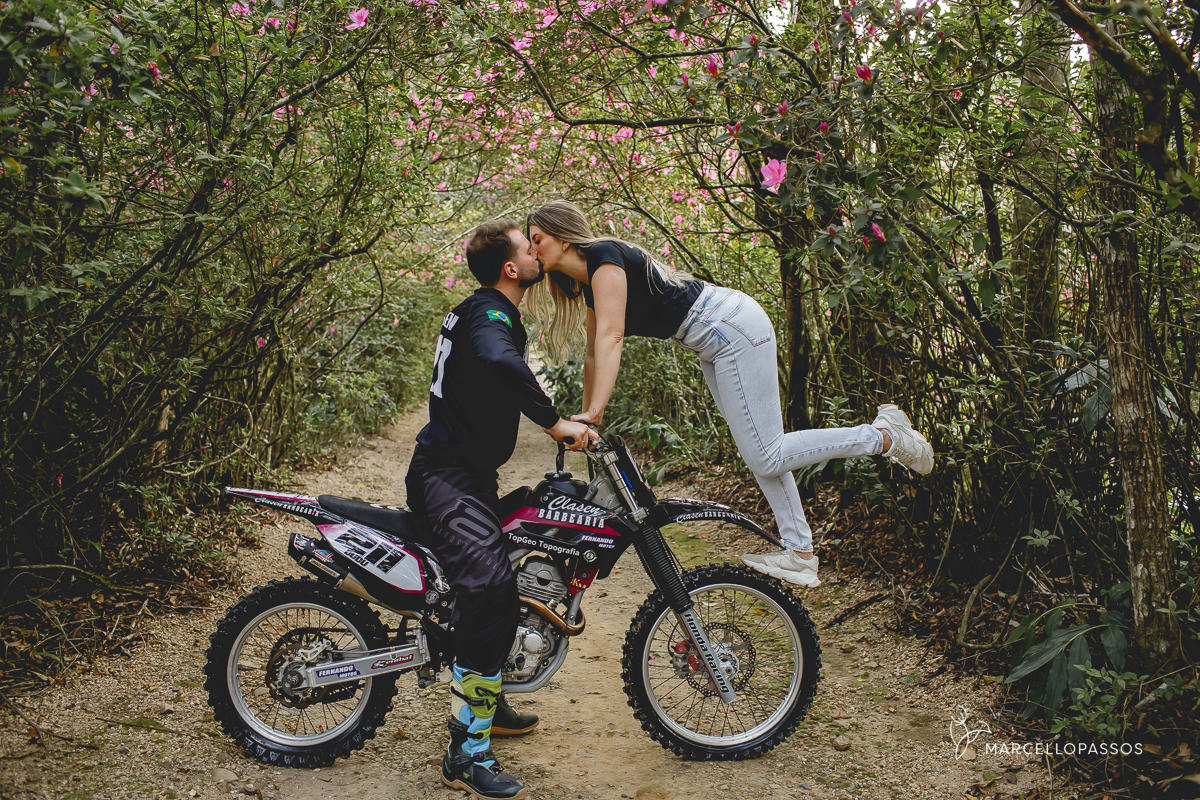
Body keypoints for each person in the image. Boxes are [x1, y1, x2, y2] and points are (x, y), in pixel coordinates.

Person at [526, 200, 933, 589]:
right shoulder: (591, 282)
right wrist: (589, 416)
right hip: (714, 340)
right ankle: (800, 552)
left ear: (563, 237)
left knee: (766, 452)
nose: (532, 249)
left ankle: (884, 436)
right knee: (762, 449)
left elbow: (613, 337)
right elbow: (594, 352)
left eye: (537, 239)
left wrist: (596, 409)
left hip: (730, 328)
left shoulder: (603, 256)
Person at [405, 218, 596, 800]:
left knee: (508, 573)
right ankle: (465, 755)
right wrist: (556, 422)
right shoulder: (491, 313)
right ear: (511, 268)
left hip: (466, 477)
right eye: (527, 246)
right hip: (447, 481)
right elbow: (498, 362)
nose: (538, 251)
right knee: (490, 593)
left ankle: (489, 701)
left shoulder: (481, 309)